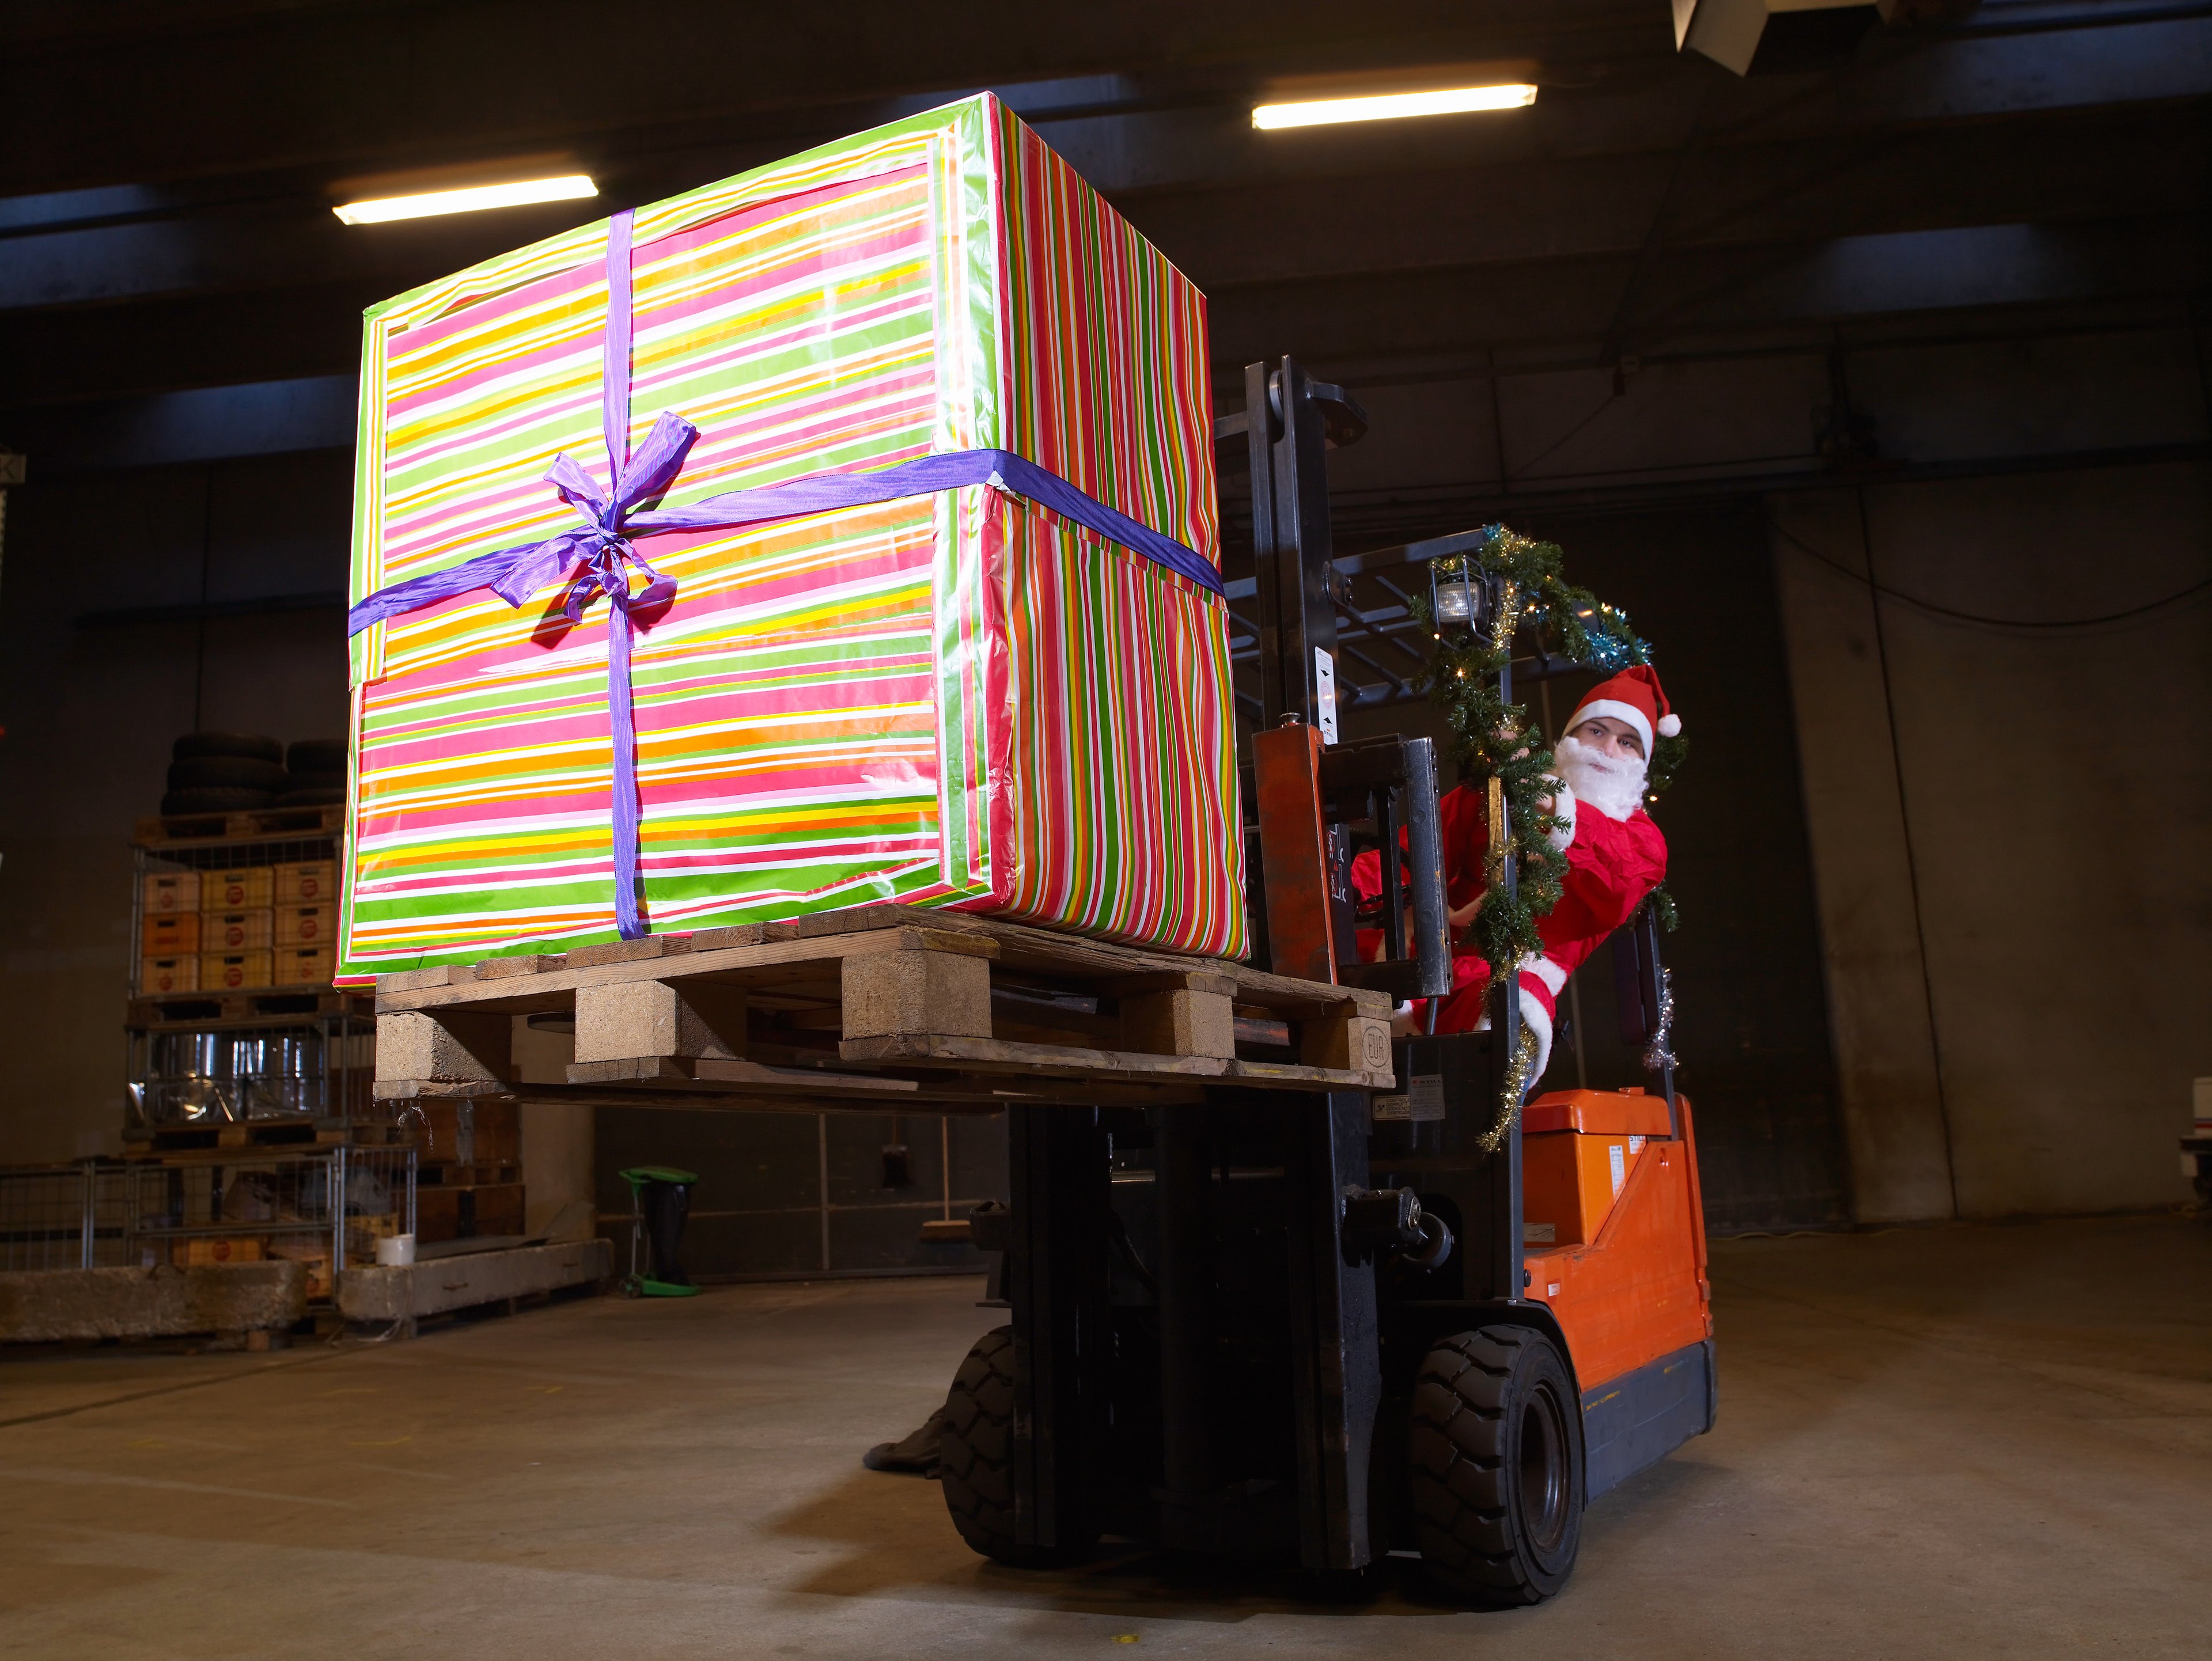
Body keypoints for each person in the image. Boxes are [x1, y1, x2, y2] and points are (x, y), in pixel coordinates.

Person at [1351, 664, 1677, 1083]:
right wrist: (1333, 895)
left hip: (1515, 973)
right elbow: (1409, 854)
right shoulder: (1505, 790)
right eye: (1596, 731)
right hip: (1431, 947)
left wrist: (1551, 804)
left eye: (1627, 742)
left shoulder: (1642, 842)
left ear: (1641, 761)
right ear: (1571, 737)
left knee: (1515, 1012)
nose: (1608, 750)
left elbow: (1613, 880)